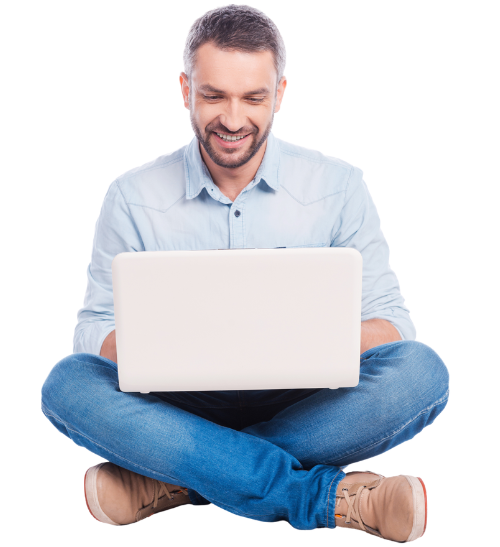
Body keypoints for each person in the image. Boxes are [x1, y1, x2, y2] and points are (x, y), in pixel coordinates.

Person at [39, 5, 450, 538]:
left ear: (279, 94)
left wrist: (302, 342)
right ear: (185, 89)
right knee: (67, 384)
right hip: (176, 403)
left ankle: (182, 479)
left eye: (253, 98)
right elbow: (94, 329)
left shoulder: (340, 185)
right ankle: (323, 498)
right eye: (214, 96)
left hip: (305, 399)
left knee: (421, 372)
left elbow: (393, 326)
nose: (233, 120)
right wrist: (175, 348)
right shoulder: (131, 194)